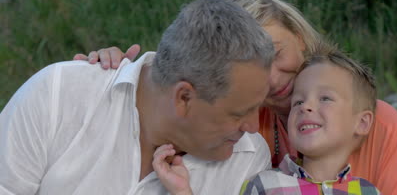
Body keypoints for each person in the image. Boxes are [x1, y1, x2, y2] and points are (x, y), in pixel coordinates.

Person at [74, 0, 397, 195]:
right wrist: (120, 68)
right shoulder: (242, 120)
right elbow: (178, 94)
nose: (270, 80)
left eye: (277, 54)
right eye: (255, 69)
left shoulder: (377, 123)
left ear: (299, 36)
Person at [0, 0, 275, 194]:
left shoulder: (247, 159)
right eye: (238, 113)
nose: (253, 126)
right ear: (184, 98)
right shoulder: (59, 94)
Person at [152, 43, 382, 195]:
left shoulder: (369, 191)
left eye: (325, 98)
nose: (306, 107)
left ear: (361, 123)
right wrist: (183, 192)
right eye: (298, 102)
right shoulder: (266, 185)